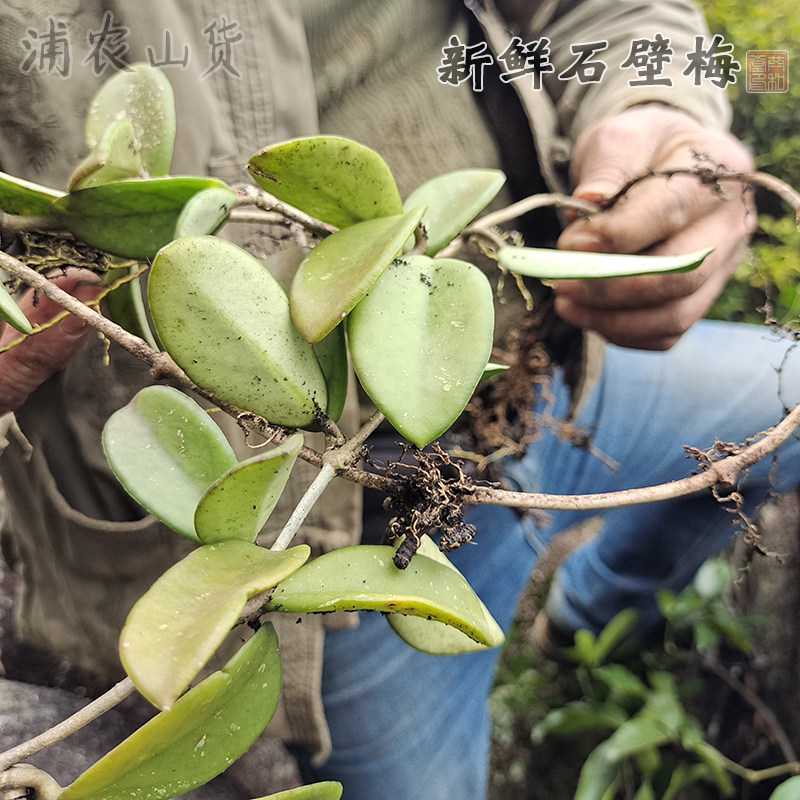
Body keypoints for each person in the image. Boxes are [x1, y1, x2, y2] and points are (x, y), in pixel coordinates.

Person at [0, 2, 798, 799]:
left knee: (786, 407)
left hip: (549, 368)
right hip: (348, 549)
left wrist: (654, 109)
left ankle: (592, 614)